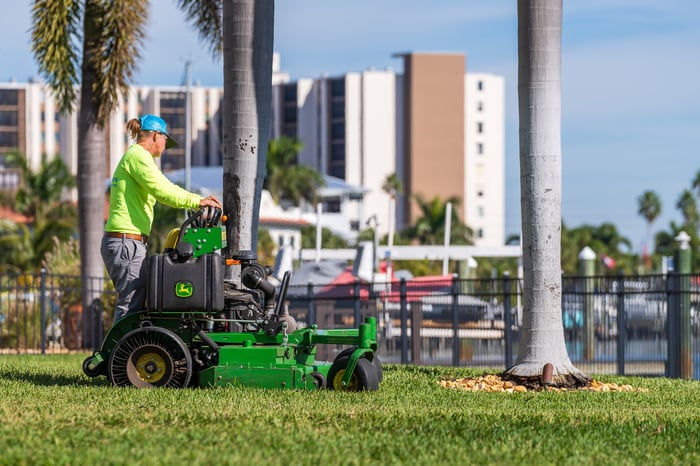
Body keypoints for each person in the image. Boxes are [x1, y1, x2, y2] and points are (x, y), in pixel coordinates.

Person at [101, 114, 222, 323]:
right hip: (126, 242)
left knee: (135, 302)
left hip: (128, 241)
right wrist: (197, 201)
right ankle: (118, 355)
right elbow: (162, 189)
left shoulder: (137, 157)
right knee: (131, 304)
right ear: (156, 135)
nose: (166, 146)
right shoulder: (138, 156)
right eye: (166, 139)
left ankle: (122, 352)